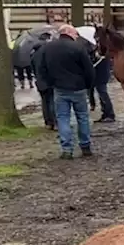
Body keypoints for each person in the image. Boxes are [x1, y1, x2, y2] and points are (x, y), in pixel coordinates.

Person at [38, 25, 95, 159]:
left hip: (59, 89)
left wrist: (49, 83)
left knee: (63, 118)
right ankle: (85, 146)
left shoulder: (48, 48)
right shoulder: (78, 48)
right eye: (75, 33)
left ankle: (67, 149)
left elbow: (42, 68)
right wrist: (88, 85)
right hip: (79, 88)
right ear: (68, 32)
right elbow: (89, 69)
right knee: (82, 117)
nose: (77, 36)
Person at [30, 33, 56, 130]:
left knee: (45, 102)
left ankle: (48, 122)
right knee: (52, 101)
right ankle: (54, 121)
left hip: (39, 81)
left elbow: (32, 67)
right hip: (48, 80)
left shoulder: (33, 53)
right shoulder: (46, 52)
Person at [90, 38, 116, 122]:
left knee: (103, 94)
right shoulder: (96, 48)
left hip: (101, 75)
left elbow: (102, 59)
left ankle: (109, 114)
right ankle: (105, 113)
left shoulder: (104, 48)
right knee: (101, 94)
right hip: (98, 75)